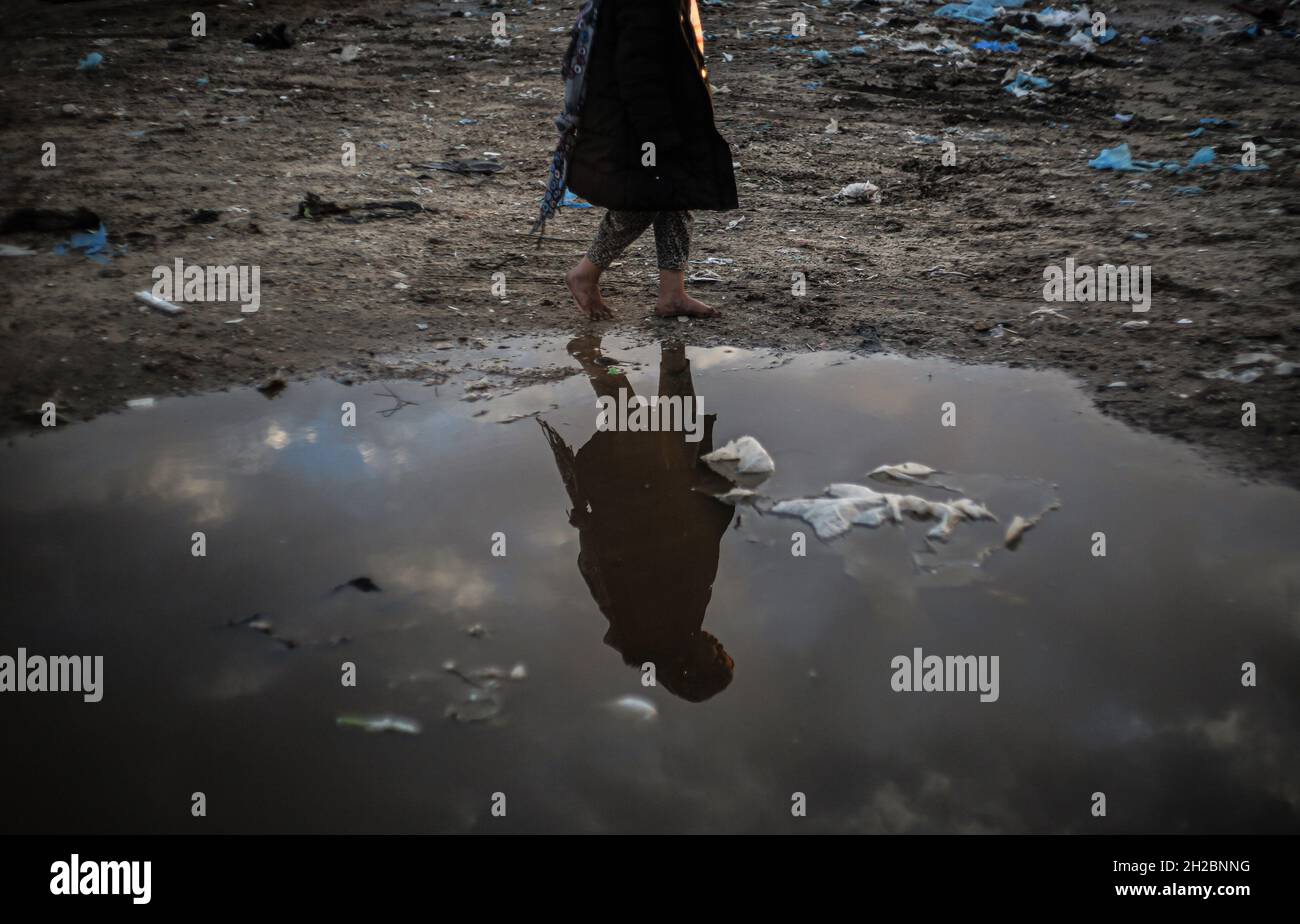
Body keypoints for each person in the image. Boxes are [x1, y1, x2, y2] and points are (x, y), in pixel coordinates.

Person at [538, 336, 736, 701]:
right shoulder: (638, 632)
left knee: (669, 418)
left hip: (655, 496)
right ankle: (593, 356)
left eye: (718, 656)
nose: (719, 645)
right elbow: (594, 564)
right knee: (627, 414)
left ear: (695, 664)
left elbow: (688, 554)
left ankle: (669, 348)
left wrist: (707, 501)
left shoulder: (667, 626)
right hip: (625, 501)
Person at [532, 0, 739, 320]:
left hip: (652, 119)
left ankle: (673, 294)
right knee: (643, 200)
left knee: (674, 195)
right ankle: (585, 274)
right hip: (637, 125)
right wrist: (656, 136)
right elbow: (638, 70)